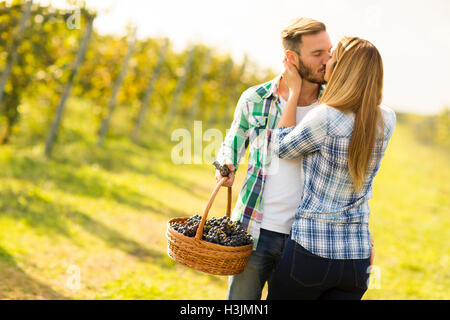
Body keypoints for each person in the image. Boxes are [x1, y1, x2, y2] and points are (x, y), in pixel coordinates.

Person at [267, 36, 396, 300]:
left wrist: (293, 94)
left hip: (310, 254)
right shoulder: (387, 119)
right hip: (357, 258)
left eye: (332, 58)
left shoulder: (325, 117)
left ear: (342, 70)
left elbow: (282, 147)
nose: (326, 63)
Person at [214, 17, 332, 300]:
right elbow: (232, 144)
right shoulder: (255, 99)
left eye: (328, 51)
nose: (327, 60)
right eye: (317, 54)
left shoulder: (332, 106)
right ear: (291, 58)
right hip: (254, 232)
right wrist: (225, 165)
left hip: (304, 238)